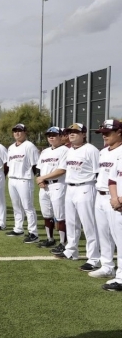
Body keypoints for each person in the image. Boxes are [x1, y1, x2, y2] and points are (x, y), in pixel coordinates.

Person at [54, 123, 100, 272]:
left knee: (89, 225)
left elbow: (98, 173)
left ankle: (94, 258)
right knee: (72, 223)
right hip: (70, 188)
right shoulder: (69, 151)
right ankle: (71, 250)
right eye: (69, 132)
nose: (72, 134)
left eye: (75, 132)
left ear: (84, 134)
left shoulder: (91, 150)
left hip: (86, 187)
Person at [90, 120, 122, 278]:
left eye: (108, 133)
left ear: (119, 133)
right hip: (100, 194)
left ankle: (120, 273)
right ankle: (107, 266)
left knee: (119, 236)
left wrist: (117, 198)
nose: (104, 136)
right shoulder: (103, 152)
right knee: (102, 233)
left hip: (115, 198)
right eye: (102, 133)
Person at [34, 127, 69, 249]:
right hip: (44, 186)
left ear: (61, 136)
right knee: (46, 214)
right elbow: (38, 168)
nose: (51, 137)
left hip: (58, 184)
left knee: (60, 215)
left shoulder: (65, 150)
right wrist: (40, 180)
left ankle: (63, 243)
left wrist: (42, 177)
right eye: (49, 135)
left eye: (54, 134)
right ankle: (50, 239)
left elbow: (62, 170)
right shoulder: (45, 151)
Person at [6, 123, 40, 243]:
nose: (17, 133)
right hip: (12, 179)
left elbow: (35, 165)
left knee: (28, 207)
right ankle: (18, 228)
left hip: (24, 179)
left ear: (25, 132)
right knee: (16, 206)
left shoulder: (29, 146)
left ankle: (33, 233)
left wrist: (37, 178)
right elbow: (9, 165)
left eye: (20, 131)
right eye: (15, 131)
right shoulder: (11, 147)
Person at [104, 136, 122, 291]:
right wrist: (115, 198)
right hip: (117, 204)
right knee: (120, 242)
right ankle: (120, 277)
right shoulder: (119, 156)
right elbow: (112, 180)